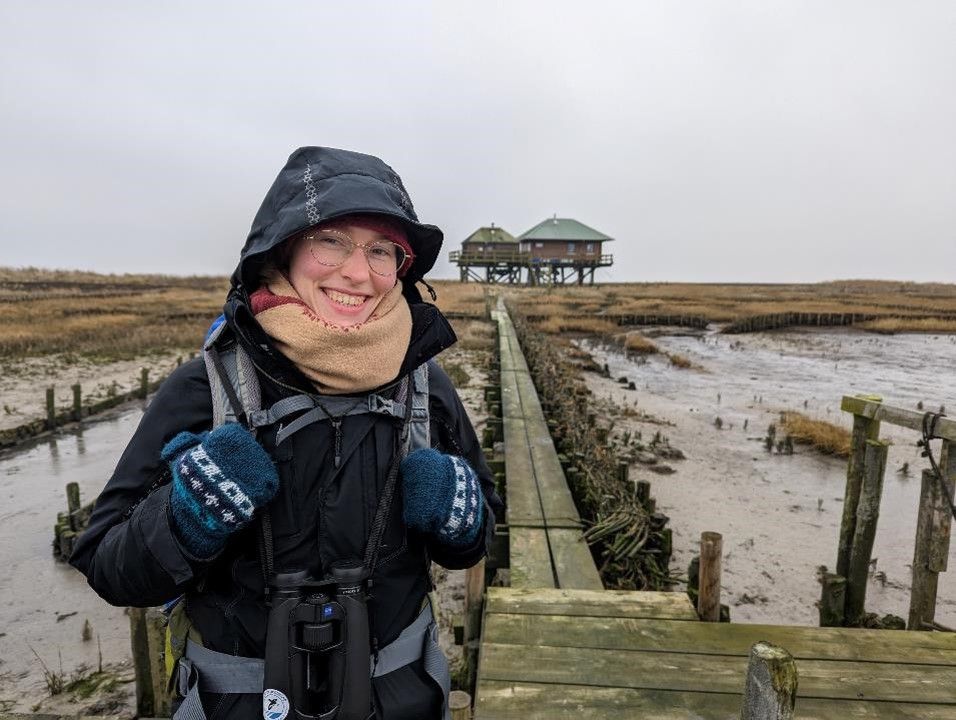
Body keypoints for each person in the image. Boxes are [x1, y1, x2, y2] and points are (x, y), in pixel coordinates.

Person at [70, 146, 502, 720]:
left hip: (402, 698)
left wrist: (463, 518)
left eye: (382, 251)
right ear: (285, 247)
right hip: (240, 702)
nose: (358, 272)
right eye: (331, 240)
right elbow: (108, 566)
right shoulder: (206, 389)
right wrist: (183, 519)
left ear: (402, 267)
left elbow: (482, 537)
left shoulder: (426, 387)